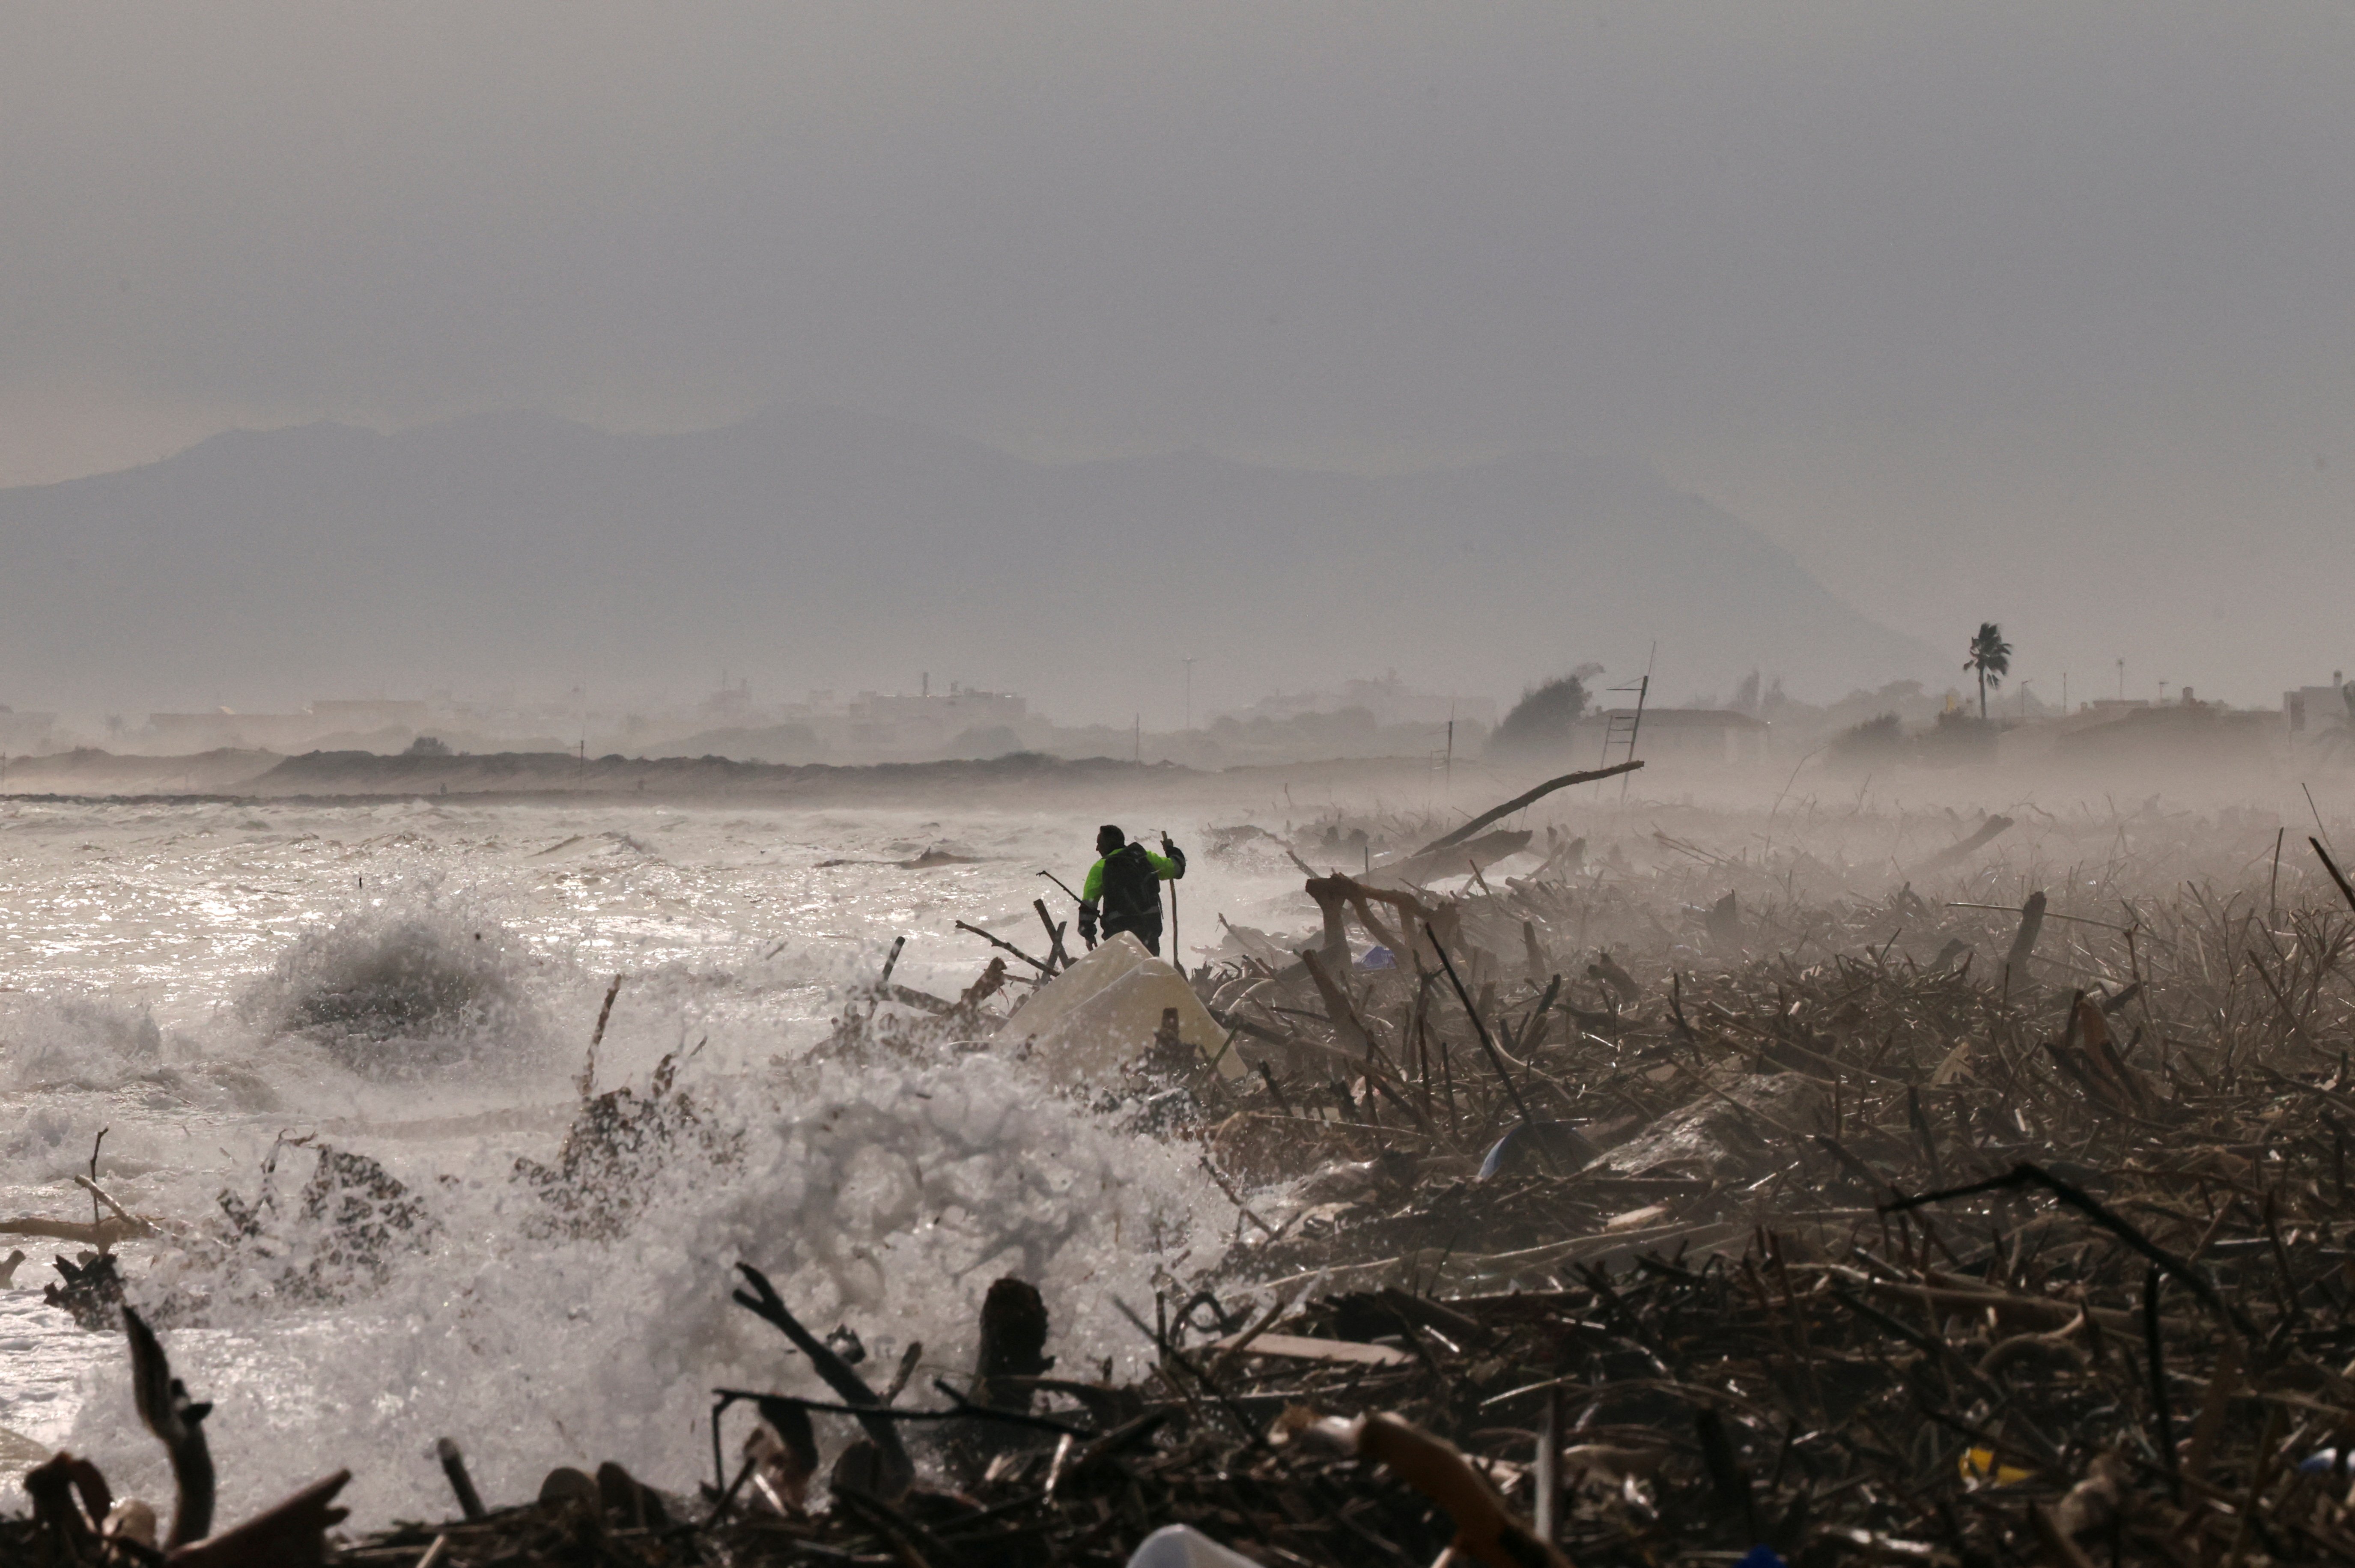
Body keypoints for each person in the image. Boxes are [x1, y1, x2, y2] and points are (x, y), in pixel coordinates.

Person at [1077, 824, 1185, 957]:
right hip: (1149, 930)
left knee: (1126, 971)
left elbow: (1089, 905)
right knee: (1149, 968)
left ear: (1108, 844)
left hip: (1119, 935)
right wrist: (1171, 850)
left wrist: (1088, 934)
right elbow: (1177, 869)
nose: (1097, 848)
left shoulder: (1100, 867)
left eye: (1100, 843)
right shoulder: (1143, 858)